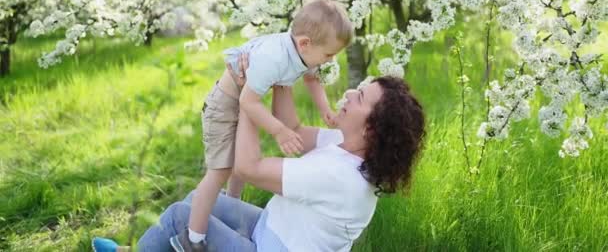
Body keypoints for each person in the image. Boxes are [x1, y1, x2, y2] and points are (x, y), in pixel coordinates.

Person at [93, 69, 426, 251]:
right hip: (269, 229)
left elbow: (248, 168)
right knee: (197, 202)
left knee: (183, 218)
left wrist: (248, 101)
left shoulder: (341, 178)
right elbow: (292, 127)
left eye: (361, 96)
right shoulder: (341, 144)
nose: (351, 92)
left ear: (371, 128)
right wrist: (282, 73)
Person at [173, 0, 354, 251]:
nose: (330, 60)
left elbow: (313, 81)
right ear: (305, 44)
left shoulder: (303, 54)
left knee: (238, 165)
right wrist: (278, 131)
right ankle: (193, 238)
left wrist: (326, 110)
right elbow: (248, 101)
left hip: (247, 99)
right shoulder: (276, 57)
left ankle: (230, 206)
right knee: (220, 170)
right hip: (225, 105)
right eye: (329, 54)